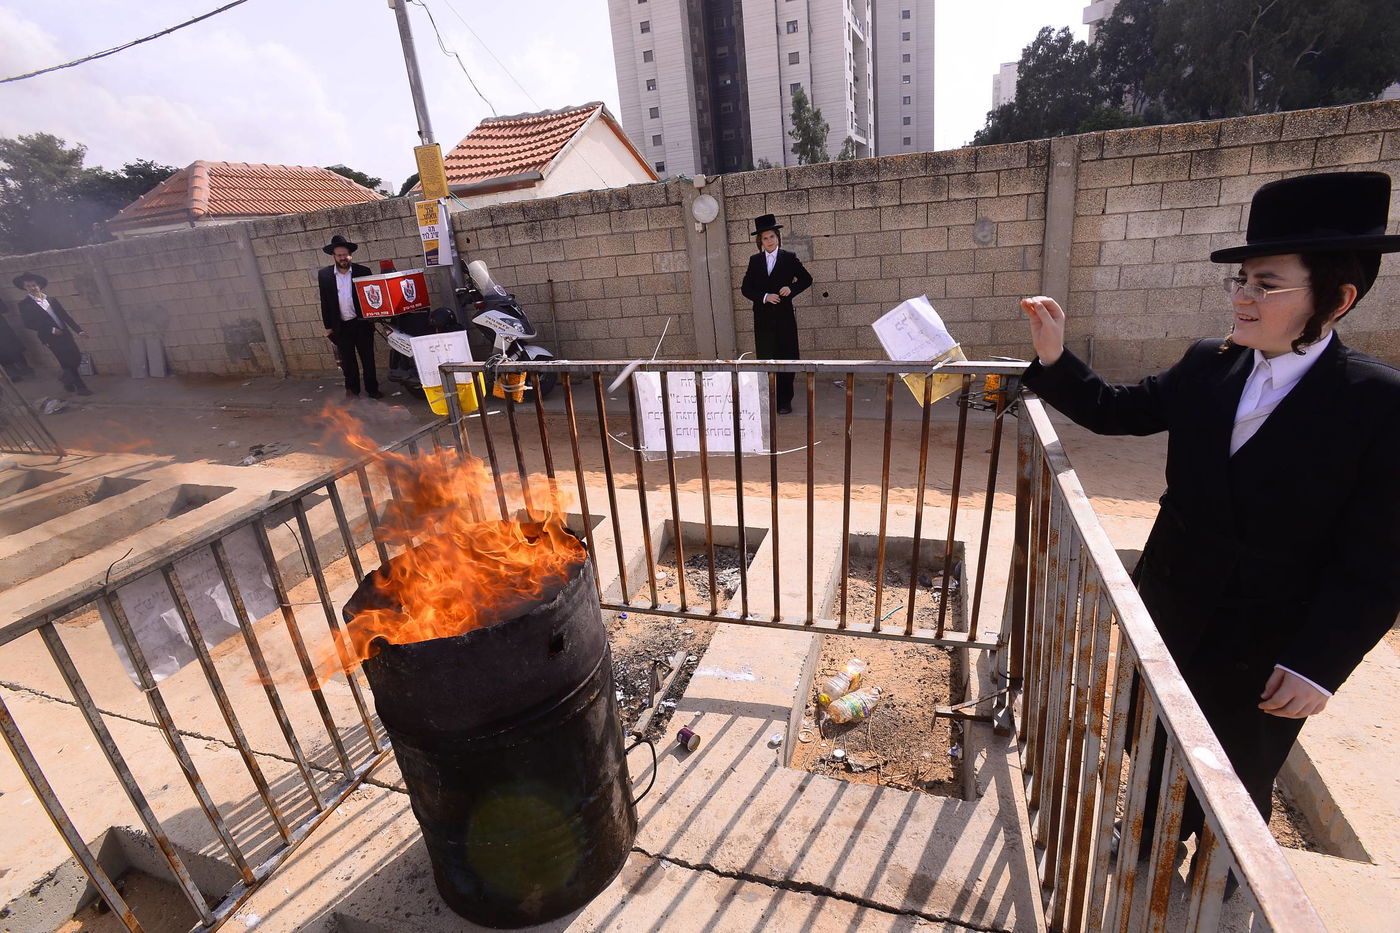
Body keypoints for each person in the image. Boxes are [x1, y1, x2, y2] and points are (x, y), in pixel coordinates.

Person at [1019, 171, 1400, 846]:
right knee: (1152, 736)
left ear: (1337, 298)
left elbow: (1379, 559)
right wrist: (1055, 357)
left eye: (1267, 284)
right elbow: (1117, 410)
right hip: (1171, 604)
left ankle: (1215, 880)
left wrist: (1319, 663)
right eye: (1241, 280)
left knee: (1233, 775)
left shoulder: (1376, 402)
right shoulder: (1209, 364)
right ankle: (1146, 844)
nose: (1243, 298)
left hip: (1264, 646)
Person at [740, 214, 812, 414]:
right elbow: (746, 289)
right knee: (767, 358)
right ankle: (769, 399)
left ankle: (785, 401)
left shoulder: (789, 258)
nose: (769, 241)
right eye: (765, 238)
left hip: (784, 318)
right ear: (760, 241)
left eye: (772, 236)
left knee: (786, 357)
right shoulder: (755, 261)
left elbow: (806, 279)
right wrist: (764, 297)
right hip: (763, 320)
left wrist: (791, 288)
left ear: (778, 237)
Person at [318, 234, 381, 399]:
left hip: (361, 323)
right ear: (334, 256)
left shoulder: (363, 271)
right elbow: (325, 302)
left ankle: (372, 389)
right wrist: (328, 327)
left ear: (350, 255)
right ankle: (353, 390)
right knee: (348, 361)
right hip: (340, 325)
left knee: (368, 359)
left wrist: (372, 319)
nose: (342, 258)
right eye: (339, 255)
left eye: (345, 255)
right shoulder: (324, 275)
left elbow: (372, 296)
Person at [14, 272, 91, 395]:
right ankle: (81, 388)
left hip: (65, 334)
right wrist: (51, 329)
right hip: (50, 337)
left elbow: (65, 316)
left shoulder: (51, 300)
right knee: (65, 361)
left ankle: (67, 380)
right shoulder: (24, 305)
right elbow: (29, 323)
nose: (32, 288)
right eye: (28, 286)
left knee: (76, 358)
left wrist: (79, 331)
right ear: (24, 287)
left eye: (34, 285)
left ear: (39, 285)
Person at [0, 294, 35, 382]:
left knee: (14, 348)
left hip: (3, 329)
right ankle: (13, 374)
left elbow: (5, 309)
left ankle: (25, 368)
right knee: (2, 354)